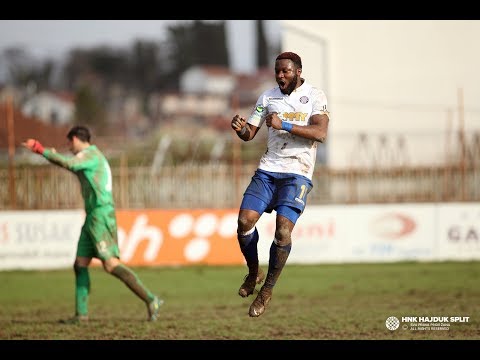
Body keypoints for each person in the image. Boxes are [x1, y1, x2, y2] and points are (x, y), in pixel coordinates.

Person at [22, 125, 163, 323]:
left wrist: (40, 149)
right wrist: (53, 156)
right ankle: (81, 315)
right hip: (92, 217)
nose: (69, 146)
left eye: (69, 142)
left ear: (76, 139)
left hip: (101, 215)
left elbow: (70, 164)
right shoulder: (89, 158)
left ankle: (151, 299)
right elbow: (70, 164)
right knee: (80, 264)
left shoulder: (90, 155)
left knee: (111, 264)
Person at [231, 52, 330, 317]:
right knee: (243, 222)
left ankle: (267, 291)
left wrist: (284, 124)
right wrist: (240, 128)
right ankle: (253, 273)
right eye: (277, 71)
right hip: (268, 170)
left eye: (286, 71)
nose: (281, 76)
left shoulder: (315, 96)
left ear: (298, 71)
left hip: (297, 172)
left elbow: (320, 133)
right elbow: (249, 134)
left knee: (283, 232)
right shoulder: (267, 97)